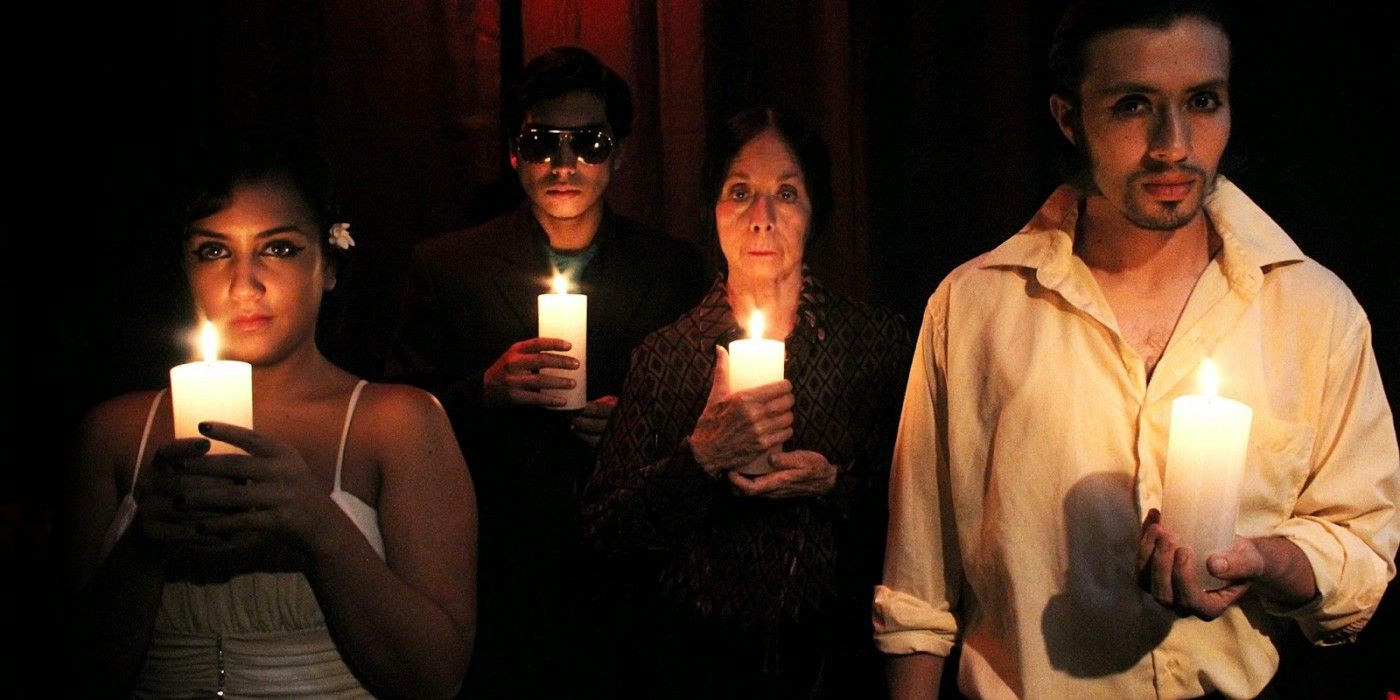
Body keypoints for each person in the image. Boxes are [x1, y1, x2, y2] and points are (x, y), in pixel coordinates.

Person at [873, 1, 1400, 697]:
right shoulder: (974, 310)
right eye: (1132, 106)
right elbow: (917, 596)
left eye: (1202, 102)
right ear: (1069, 118)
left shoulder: (1312, 310)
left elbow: (1360, 550)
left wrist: (1268, 561)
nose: (1173, 145)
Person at [60, 133, 478, 698]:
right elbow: (74, 671)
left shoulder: (398, 424)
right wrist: (144, 547)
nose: (244, 285)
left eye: (278, 248)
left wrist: (318, 525)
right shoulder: (114, 433)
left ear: (328, 264)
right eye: (214, 252)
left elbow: (435, 679)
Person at [384, 45, 708, 696]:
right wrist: (484, 392)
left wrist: (635, 429)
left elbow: (707, 415)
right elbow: (390, 415)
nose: (564, 165)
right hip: (498, 582)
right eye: (542, 143)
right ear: (513, 152)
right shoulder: (449, 268)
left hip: (635, 594)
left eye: (588, 143)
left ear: (619, 153)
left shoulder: (672, 271)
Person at [582, 106, 913, 698]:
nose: (761, 218)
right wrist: (700, 458)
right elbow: (603, 531)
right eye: (739, 192)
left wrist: (831, 483)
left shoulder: (875, 343)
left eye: (785, 193)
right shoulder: (666, 355)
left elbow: (920, 512)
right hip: (692, 670)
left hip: (837, 664)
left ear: (815, 211)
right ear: (712, 210)